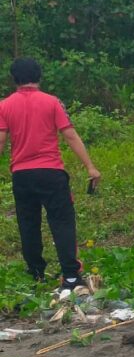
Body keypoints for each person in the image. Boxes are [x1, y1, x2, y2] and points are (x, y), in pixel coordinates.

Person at [0, 57, 101, 288]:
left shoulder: (4, 106)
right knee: (62, 222)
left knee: (28, 224)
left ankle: (36, 274)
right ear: (39, 77)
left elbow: (1, 141)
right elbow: (70, 135)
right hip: (51, 172)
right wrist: (90, 167)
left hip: (22, 175)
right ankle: (71, 276)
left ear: (14, 79)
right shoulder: (52, 102)